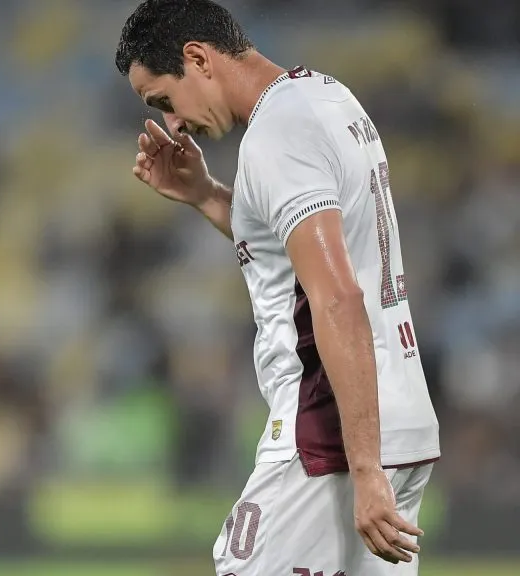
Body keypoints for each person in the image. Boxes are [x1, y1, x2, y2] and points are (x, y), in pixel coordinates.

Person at [114, 1, 440, 574]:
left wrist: (363, 469)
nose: (173, 124)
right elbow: (297, 256)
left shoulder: (277, 136)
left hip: (329, 431)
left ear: (197, 58)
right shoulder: (324, 96)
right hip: (397, 414)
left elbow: (335, 297)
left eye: (164, 99)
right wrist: (208, 196)